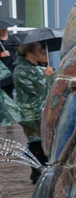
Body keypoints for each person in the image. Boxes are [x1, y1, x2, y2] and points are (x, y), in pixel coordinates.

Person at [13, 34, 49, 180]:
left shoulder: (35, 68)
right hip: (30, 113)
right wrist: (46, 76)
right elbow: (34, 90)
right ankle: (37, 173)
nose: (44, 54)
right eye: (41, 51)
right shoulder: (21, 70)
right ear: (31, 52)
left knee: (42, 141)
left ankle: (42, 170)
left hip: (40, 110)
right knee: (36, 142)